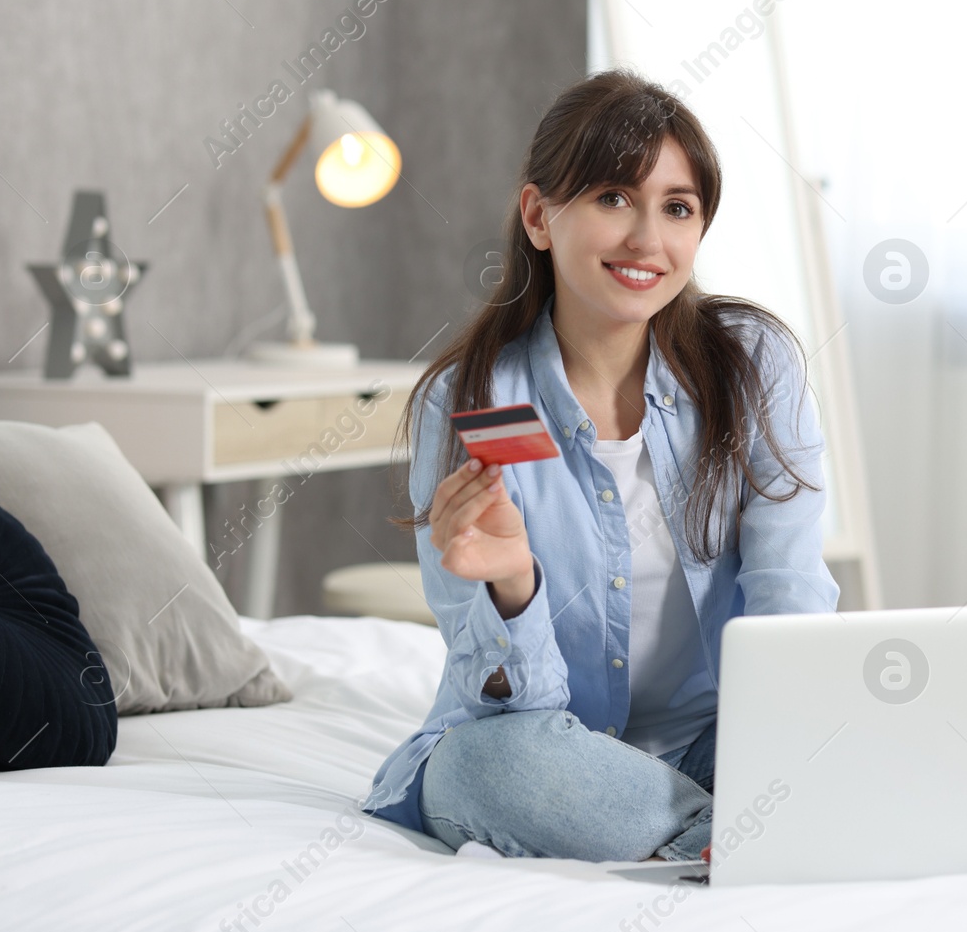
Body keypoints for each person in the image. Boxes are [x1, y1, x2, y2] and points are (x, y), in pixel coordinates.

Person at [360, 69, 839, 862]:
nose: (648, 239)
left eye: (677, 208)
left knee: (863, 725)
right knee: (471, 769)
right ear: (539, 216)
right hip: (552, 753)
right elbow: (518, 709)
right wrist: (514, 583)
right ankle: (727, 837)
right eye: (614, 198)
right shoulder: (473, 398)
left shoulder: (755, 366)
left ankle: (712, 829)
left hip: (715, 744)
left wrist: (792, 749)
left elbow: (788, 599)